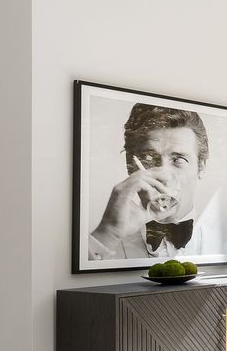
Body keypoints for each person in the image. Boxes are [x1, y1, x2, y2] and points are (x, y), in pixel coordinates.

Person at [86, 103, 212, 260]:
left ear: (201, 167)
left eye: (178, 159)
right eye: (149, 158)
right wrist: (109, 233)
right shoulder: (101, 242)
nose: (164, 176)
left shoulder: (226, 241)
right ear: (130, 166)